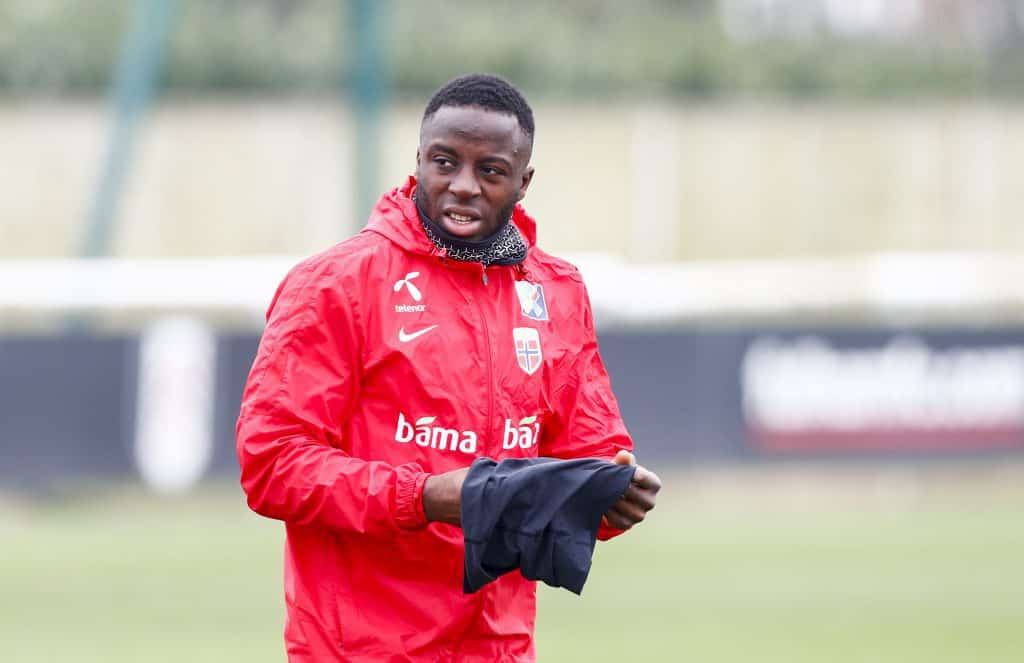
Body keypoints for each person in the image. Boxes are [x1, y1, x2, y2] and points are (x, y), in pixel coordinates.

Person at [236, 73, 661, 662]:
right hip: (358, 650)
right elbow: (272, 463)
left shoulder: (556, 290)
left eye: (490, 170)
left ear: (523, 182)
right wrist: (425, 496)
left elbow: (588, 452)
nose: (463, 185)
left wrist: (612, 493)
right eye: (445, 162)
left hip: (499, 648)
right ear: (417, 162)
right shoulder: (334, 284)